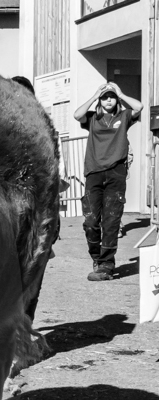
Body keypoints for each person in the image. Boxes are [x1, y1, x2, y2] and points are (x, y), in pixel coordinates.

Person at [73, 80, 141, 281]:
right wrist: (95, 95)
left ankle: (106, 266)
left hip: (116, 174)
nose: (108, 100)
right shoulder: (93, 118)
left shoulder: (124, 116)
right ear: (100, 101)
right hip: (94, 173)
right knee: (91, 221)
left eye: (111, 97)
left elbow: (139, 107)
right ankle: (97, 257)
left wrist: (120, 93)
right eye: (105, 97)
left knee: (111, 221)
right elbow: (77, 114)